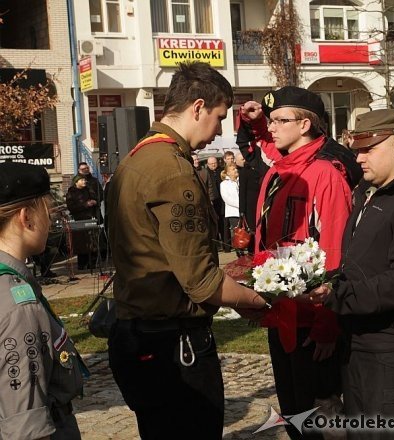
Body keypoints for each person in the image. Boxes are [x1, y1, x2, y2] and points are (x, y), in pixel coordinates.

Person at [105, 61, 268, 440]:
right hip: (175, 346)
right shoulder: (173, 170)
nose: (219, 131)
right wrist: (260, 300)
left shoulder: (135, 158)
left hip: (141, 337)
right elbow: (202, 284)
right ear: (197, 107)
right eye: (218, 116)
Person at [307, 110, 394, 439]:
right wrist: (327, 283)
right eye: (357, 149)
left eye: (369, 149)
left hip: (393, 354)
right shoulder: (366, 191)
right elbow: (359, 263)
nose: (358, 157)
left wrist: (340, 295)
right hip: (358, 346)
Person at [238, 86, 353, 439]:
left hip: (311, 318)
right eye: (270, 120)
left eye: (279, 120)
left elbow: (335, 250)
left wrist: (327, 324)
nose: (272, 127)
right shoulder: (278, 171)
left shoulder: (326, 173)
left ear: (305, 125)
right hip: (281, 311)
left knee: (317, 419)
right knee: (292, 414)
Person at [0, 162, 87, 439]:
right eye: (48, 212)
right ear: (26, 218)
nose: (51, 222)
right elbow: (26, 427)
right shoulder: (18, 304)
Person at [66, 175, 99, 270]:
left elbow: (97, 198)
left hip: (91, 218)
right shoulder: (71, 193)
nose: (84, 181)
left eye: (84, 179)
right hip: (79, 220)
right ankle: (82, 264)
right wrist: (85, 204)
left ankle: (92, 263)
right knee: (81, 243)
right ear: (76, 182)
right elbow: (71, 207)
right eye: (82, 180)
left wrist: (94, 201)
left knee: (93, 241)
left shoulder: (89, 189)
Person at [219, 163, 240, 254]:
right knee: (236, 232)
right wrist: (240, 204)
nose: (235, 171)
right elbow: (226, 198)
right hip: (233, 212)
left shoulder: (240, 181)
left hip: (243, 211)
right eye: (233, 169)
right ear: (227, 172)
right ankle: (239, 250)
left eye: (236, 169)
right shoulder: (224, 184)